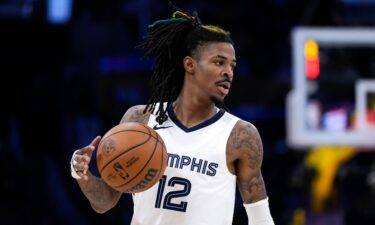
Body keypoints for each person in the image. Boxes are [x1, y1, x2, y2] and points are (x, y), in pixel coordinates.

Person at [70, 6, 275, 225]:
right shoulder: (141, 120)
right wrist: (82, 174)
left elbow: (260, 219)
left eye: (232, 65)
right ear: (190, 65)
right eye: (219, 62)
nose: (229, 72)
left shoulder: (240, 135)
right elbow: (105, 202)